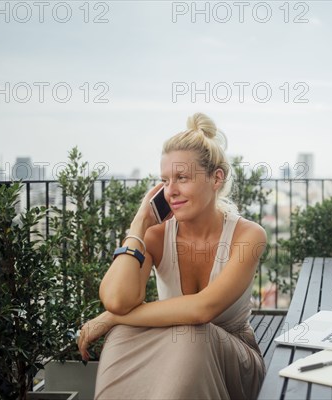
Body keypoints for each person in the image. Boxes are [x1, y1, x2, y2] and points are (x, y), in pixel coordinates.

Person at [78, 113, 267, 399]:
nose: (171, 191)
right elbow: (117, 300)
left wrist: (111, 318)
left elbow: (201, 311)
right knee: (123, 337)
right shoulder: (155, 235)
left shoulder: (248, 236)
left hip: (234, 359)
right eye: (165, 181)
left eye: (182, 178)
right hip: (176, 347)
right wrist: (139, 224)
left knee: (193, 334)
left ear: (216, 178)